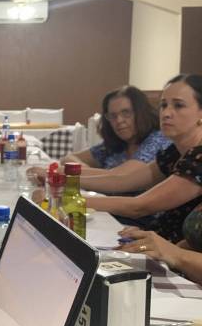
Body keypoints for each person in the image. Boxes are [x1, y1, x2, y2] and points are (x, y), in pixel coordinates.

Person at [86, 75, 202, 243]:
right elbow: (123, 180)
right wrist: (65, 179)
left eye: (178, 105)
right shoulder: (174, 152)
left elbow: (139, 206)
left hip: (176, 254)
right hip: (162, 242)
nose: (166, 113)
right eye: (163, 105)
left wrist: (75, 201)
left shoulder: (198, 157)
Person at [62, 85, 170, 185]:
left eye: (126, 113)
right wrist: (87, 171)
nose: (119, 120)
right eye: (113, 116)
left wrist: (77, 173)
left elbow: (120, 178)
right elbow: (68, 158)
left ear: (141, 112)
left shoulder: (159, 140)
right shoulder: (115, 145)